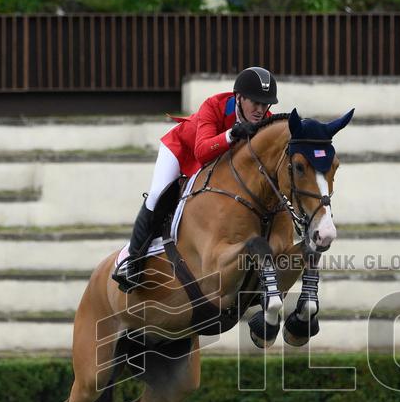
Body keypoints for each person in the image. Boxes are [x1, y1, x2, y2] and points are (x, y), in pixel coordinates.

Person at [112, 66, 278, 292]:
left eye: (265, 104)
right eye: (255, 103)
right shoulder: (214, 105)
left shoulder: (265, 120)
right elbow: (201, 151)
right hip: (181, 151)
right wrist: (232, 134)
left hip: (215, 165)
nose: (261, 110)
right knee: (157, 195)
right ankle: (132, 261)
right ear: (238, 98)